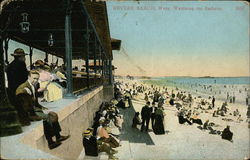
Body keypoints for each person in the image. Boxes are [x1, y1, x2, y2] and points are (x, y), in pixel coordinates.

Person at [16, 70, 70, 149]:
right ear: (28, 77)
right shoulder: (24, 88)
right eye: (34, 78)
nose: (35, 80)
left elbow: (34, 101)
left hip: (34, 109)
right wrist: (34, 115)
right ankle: (50, 142)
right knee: (46, 118)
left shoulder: (32, 85)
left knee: (53, 114)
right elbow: (23, 106)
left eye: (37, 79)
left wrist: (41, 108)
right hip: (27, 113)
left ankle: (58, 136)